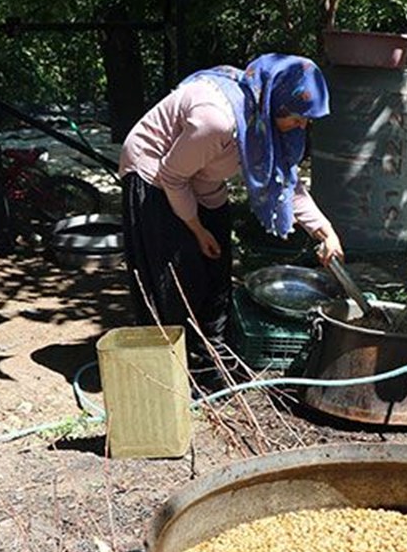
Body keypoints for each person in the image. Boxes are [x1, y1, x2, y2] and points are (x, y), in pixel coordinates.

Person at [119, 54, 344, 386]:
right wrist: (196, 229)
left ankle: (213, 360)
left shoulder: (263, 118)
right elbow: (173, 176)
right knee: (178, 276)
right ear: (277, 104)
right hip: (154, 174)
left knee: (217, 270)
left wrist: (325, 231)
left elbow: (285, 183)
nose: (303, 127)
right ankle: (173, 375)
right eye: (298, 119)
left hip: (203, 179)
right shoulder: (218, 119)